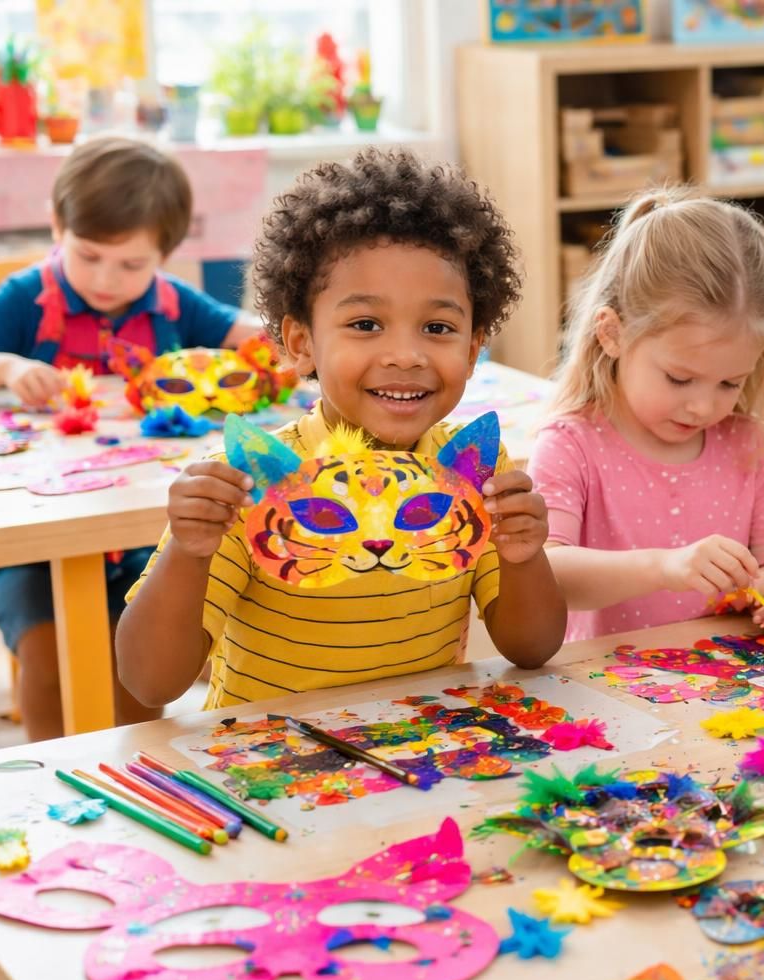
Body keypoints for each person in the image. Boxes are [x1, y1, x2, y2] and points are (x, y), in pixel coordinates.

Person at [115, 147, 566, 709]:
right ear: (302, 343)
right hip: (268, 767)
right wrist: (189, 550)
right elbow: (149, 682)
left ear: (473, 349)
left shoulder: (474, 470)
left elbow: (531, 648)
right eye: (365, 324)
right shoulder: (253, 480)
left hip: (419, 754)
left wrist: (524, 556)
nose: (405, 354)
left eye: (437, 326)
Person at [0, 136, 255, 739]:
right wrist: (7, 368)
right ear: (58, 227)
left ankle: (139, 759)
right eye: (89, 256)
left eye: (132, 265)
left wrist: (288, 345)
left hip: (143, 520)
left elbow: (248, 335)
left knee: (140, 644)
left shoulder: (172, 303)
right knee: (49, 653)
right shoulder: (26, 298)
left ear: (166, 253)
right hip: (37, 530)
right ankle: (52, 776)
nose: (107, 279)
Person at [528, 189, 764, 642]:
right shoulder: (570, 444)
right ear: (613, 334)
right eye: (678, 378)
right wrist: (663, 566)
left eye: (729, 384)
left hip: (727, 690)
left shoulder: (749, 445)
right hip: (608, 690)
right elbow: (546, 573)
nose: (703, 406)